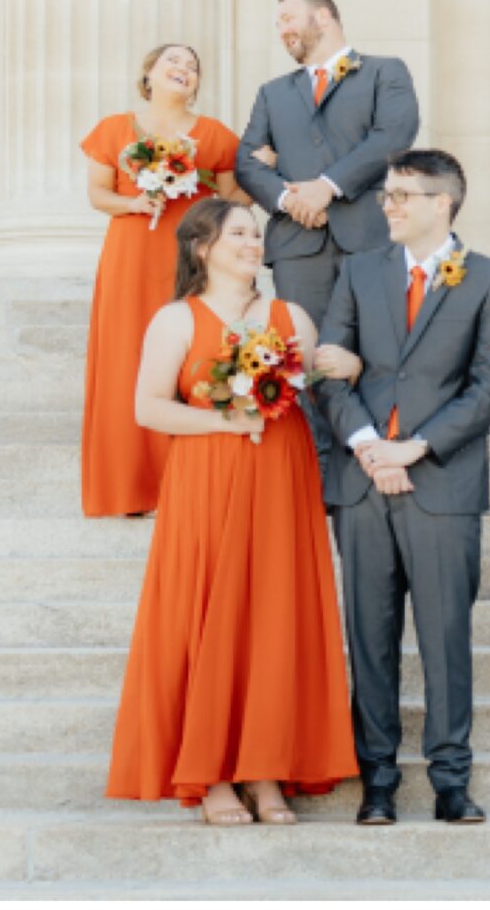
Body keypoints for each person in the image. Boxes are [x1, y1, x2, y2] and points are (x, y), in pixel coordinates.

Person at [105, 197, 356, 822]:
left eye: (255, 233)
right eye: (238, 232)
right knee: (209, 612)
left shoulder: (289, 314)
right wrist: (226, 417)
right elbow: (149, 409)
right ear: (202, 247)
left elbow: (316, 388)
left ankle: (267, 770)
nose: (252, 242)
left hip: (280, 474)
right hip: (208, 478)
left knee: (275, 612)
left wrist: (344, 366)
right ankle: (212, 773)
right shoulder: (175, 320)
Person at [315, 150, 490, 826]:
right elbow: (330, 372)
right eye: (387, 194)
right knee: (369, 636)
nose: (389, 205)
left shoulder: (488, 279)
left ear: (444, 201)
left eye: (404, 194)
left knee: (444, 636)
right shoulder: (358, 271)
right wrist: (372, 447)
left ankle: (451, 780)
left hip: (443, 483)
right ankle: (377, 780)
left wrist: (417, 446)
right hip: (364, 482)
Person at [234, 0, 420, 478]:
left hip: (370, 239)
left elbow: (394, 136)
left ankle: (376, 458)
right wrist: (289, 199)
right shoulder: (272, 93)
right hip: (298, 247)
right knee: (307, 359)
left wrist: (327, 187)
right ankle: (320, 473)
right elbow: (247, 161)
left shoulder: (386, 72)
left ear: (324, 16)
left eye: (288, 18)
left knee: (376, 350)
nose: (282, 30)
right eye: (277, 23)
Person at [80, 43, 243, 517]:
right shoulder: (114, 128)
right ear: (149, 71)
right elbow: (97, 192)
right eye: (174, 61)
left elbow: (233, 196)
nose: (184, 69)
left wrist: (268, 172)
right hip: (130, 253)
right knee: (125, 353)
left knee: (189, 355)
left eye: (193, 66)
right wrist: (134, 203)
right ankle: (127, 487)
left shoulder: (214, 134)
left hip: (188, 257)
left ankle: (183, 482)